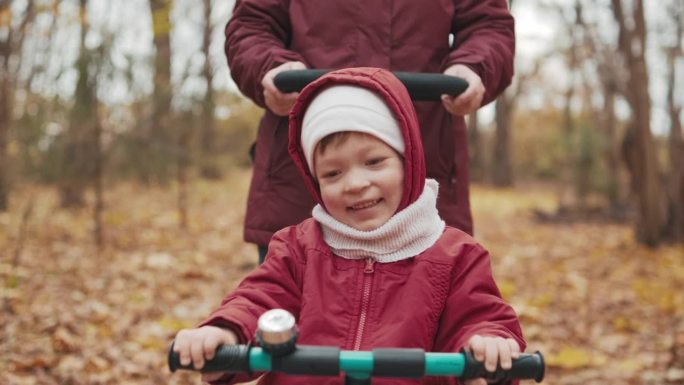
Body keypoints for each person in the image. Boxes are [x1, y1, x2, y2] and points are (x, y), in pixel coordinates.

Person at [173, 68, 524, 385]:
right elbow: (259, 300)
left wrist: (487, 343)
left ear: (409, 161)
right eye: (332, 173)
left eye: (374, 162)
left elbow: (478, 315)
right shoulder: (297, 248)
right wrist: (226, 333)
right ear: (315, 182)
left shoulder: (456, 255)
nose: (355, 184)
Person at [224, 0, 516, 263]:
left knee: (436, 312)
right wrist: (271, 67)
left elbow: (488, 24)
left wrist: (473, 66)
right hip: (301, 179)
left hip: (425, 163)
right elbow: (251, 24)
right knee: (283, 305)